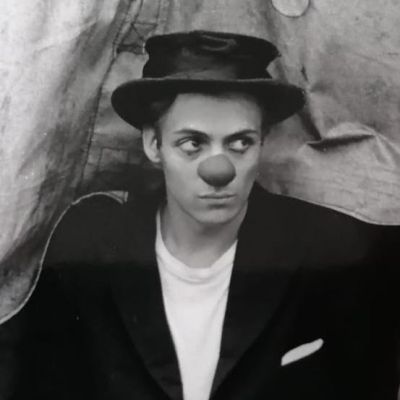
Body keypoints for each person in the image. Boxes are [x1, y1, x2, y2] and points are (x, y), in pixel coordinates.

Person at [0, 30, 399, 400]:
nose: (218, 170)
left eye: (240, 143)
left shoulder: (327, 250)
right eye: (193, 143)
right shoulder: (89, 247)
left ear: (263, 143)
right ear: (153, 145)